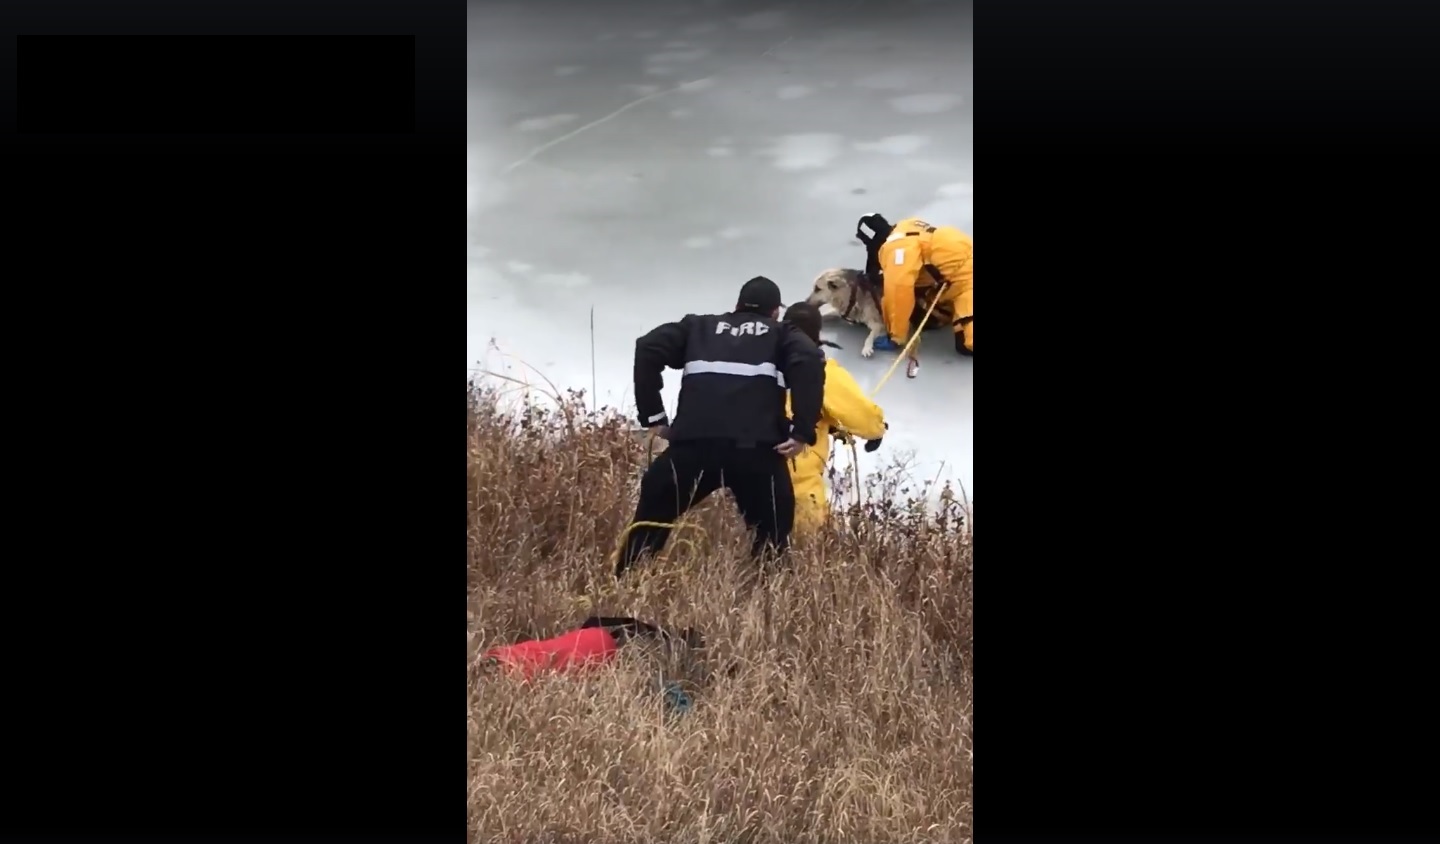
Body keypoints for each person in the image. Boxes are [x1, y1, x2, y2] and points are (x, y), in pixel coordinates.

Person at [616, 276, 826, 579]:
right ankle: (766, 597)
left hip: (693, 448)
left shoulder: (698, 327)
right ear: (775, 313)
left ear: (736, 306)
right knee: (772, 536)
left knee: (650, 521)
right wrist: (802, 432)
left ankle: (625, 582)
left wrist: (654, 417)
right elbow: (809, 359)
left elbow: (648, 347)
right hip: (756, 454)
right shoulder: (782, 334)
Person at [779, 303, 889, 532]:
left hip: (744, 470)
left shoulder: (757, 362)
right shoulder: (824, 372)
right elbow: (861, 415)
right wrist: (877, 429)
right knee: (803, 545)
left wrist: (827, 425)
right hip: (796, 475)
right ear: (817, 334)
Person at [854, 212, 974, 356]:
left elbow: (899, 290)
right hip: (956, 277)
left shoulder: (897, 249)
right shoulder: (907, 227)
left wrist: (896, 336)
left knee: (967, 343)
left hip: (966, 281)